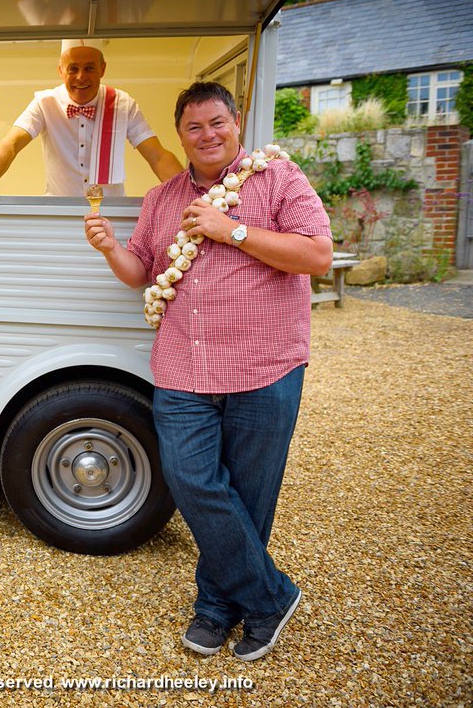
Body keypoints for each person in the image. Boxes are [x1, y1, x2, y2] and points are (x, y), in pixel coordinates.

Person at [83, 81, 332, 661]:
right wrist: (107, 248)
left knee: (249, 495)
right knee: (193, 481)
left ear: (236, 122)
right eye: (194, 128)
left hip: (263, 367)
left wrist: (233, 231)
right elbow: (141, 271)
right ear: (181, 136)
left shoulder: (278, 179)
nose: (208, 135)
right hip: (181, 369)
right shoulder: (163, 198)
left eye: (217, 122)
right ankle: (271, 597)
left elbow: (317, 255)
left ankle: (216, 609)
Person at [0, 39, 183, 212]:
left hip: (111, 215)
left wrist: (188, 194)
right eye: (73, 69)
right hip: (59, 214)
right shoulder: (44, 102)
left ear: (103, 69)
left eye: (89, 68)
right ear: (61, 71)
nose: (81, 77)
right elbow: (11, 143)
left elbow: (158, 156)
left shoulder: (123, 104)